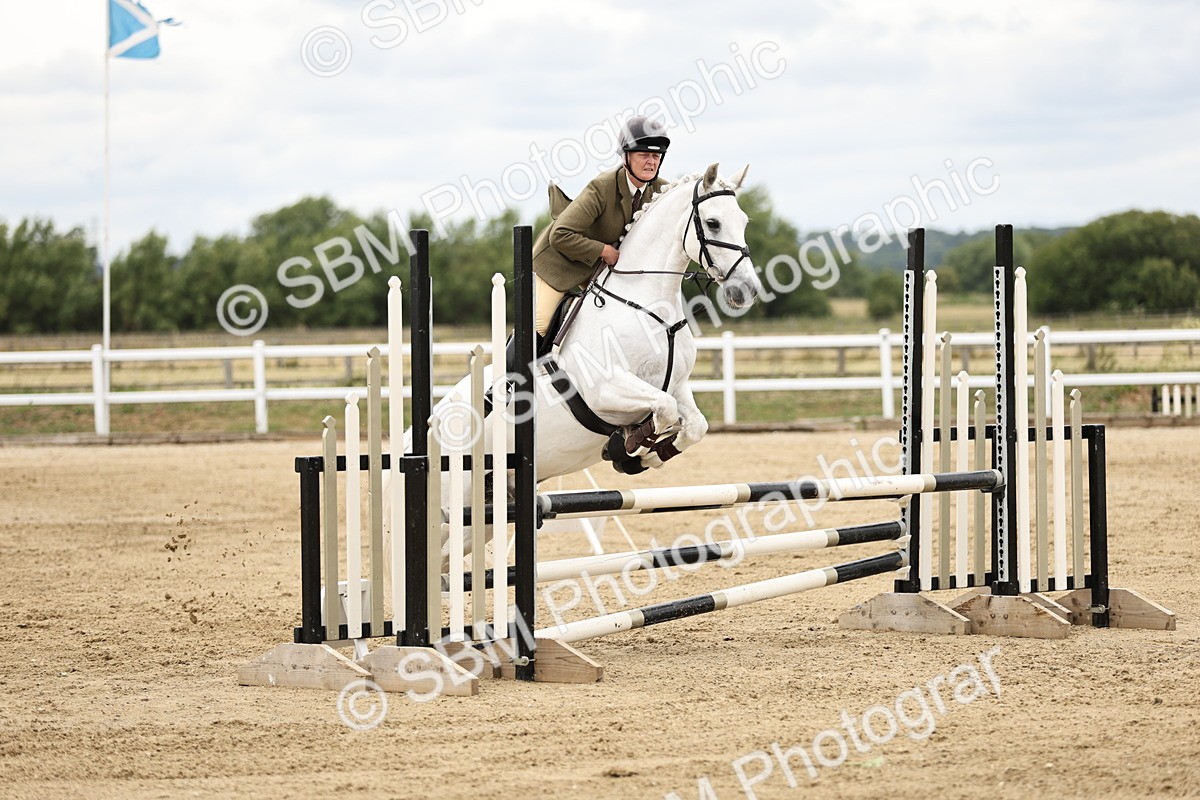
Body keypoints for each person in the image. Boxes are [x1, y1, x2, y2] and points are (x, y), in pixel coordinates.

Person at [531, 115, 671, 337]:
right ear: (626, 158)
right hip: (560, 263)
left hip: (601, 271)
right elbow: (560, 235)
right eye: (644, 154)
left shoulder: (661, 192)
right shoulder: (602, 188)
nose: (651, 161)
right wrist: (604, 250)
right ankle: (515, 371)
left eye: (656, 155)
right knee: (540, 325)